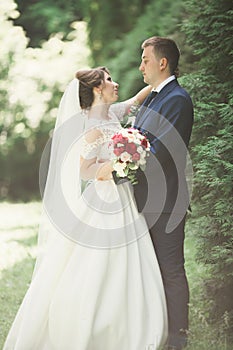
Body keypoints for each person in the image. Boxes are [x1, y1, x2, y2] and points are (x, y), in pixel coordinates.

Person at [3, 67, 168, 350]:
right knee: (98, 262)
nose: (114, 84)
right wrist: (119, 163)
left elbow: (136, 100)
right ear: (96, 89)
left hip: (124, 196)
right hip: (104, 199)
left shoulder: (112, 114)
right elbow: (85, 170)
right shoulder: (91, 127)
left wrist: (160, 82)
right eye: (108, 81)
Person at [133, 37, 194, 350]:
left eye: (145, 59)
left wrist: (126, 160)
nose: (141, 65)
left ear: (162, 62)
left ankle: (177, 338)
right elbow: (139, 137)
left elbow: (161, 151)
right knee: (150, 269)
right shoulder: (154, 97)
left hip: (167, 203)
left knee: (170, 270)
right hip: (144, 199)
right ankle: (156, 330)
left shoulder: (177, 99)